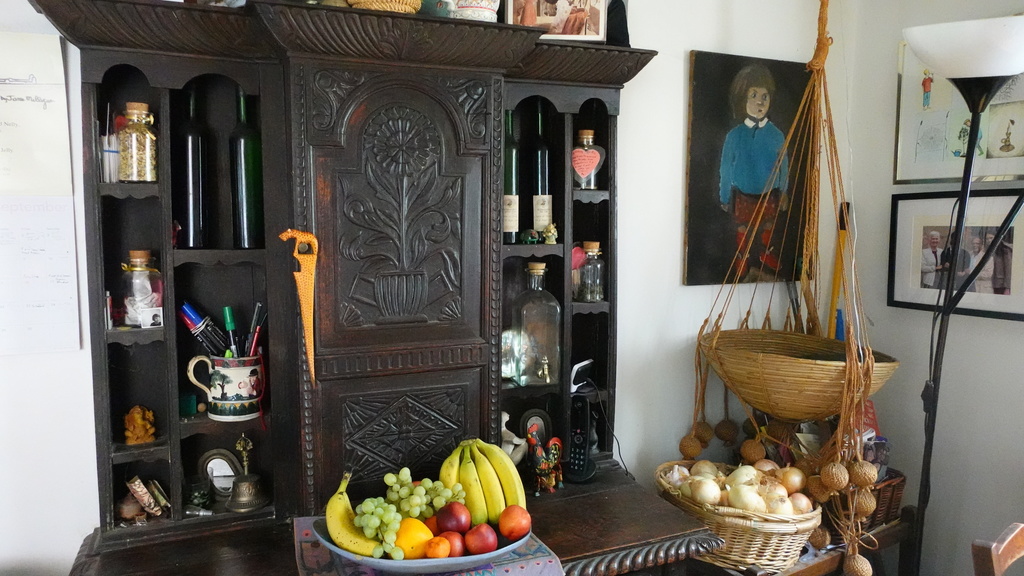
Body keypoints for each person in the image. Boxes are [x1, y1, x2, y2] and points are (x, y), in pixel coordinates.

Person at [718, 63, 790, 280]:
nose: (760, 101)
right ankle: (743, 256)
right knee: (743, 228)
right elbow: (725, 168)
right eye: (754, 95)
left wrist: (784, 191)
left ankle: (766, 253)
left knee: (767, 224)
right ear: (743, 99)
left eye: (765, 96)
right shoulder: (734, 136)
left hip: (769, 194)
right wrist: (723, 196)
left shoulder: (777, 135)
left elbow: (784, 165)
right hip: (743, 193)